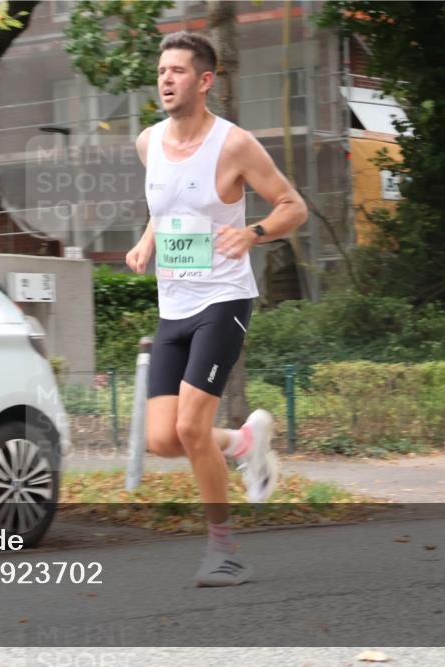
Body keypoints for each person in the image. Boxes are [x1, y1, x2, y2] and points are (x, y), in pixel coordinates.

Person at [126, 31, 308, 586]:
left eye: (178, 71)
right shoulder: (147, 142)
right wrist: (146, 240)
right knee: (163, 439)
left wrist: (252, 233)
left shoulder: (234, 145)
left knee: (190, 425)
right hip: (173, 305)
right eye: (162, 70)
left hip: (223, 300)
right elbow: (170, 202)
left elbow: (292, 206)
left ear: (205, 81)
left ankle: (224, 552)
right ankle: (246, 444)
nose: (166, 79)